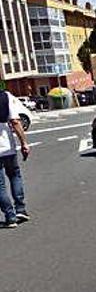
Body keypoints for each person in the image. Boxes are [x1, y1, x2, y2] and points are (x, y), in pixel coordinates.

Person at [0, 93, 29, 228]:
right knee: (14, 175)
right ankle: (20, 209)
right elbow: (15, 121)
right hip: (7, 147)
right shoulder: (5, 96)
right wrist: (24, 143)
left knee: (0, 186)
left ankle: (10, 217)